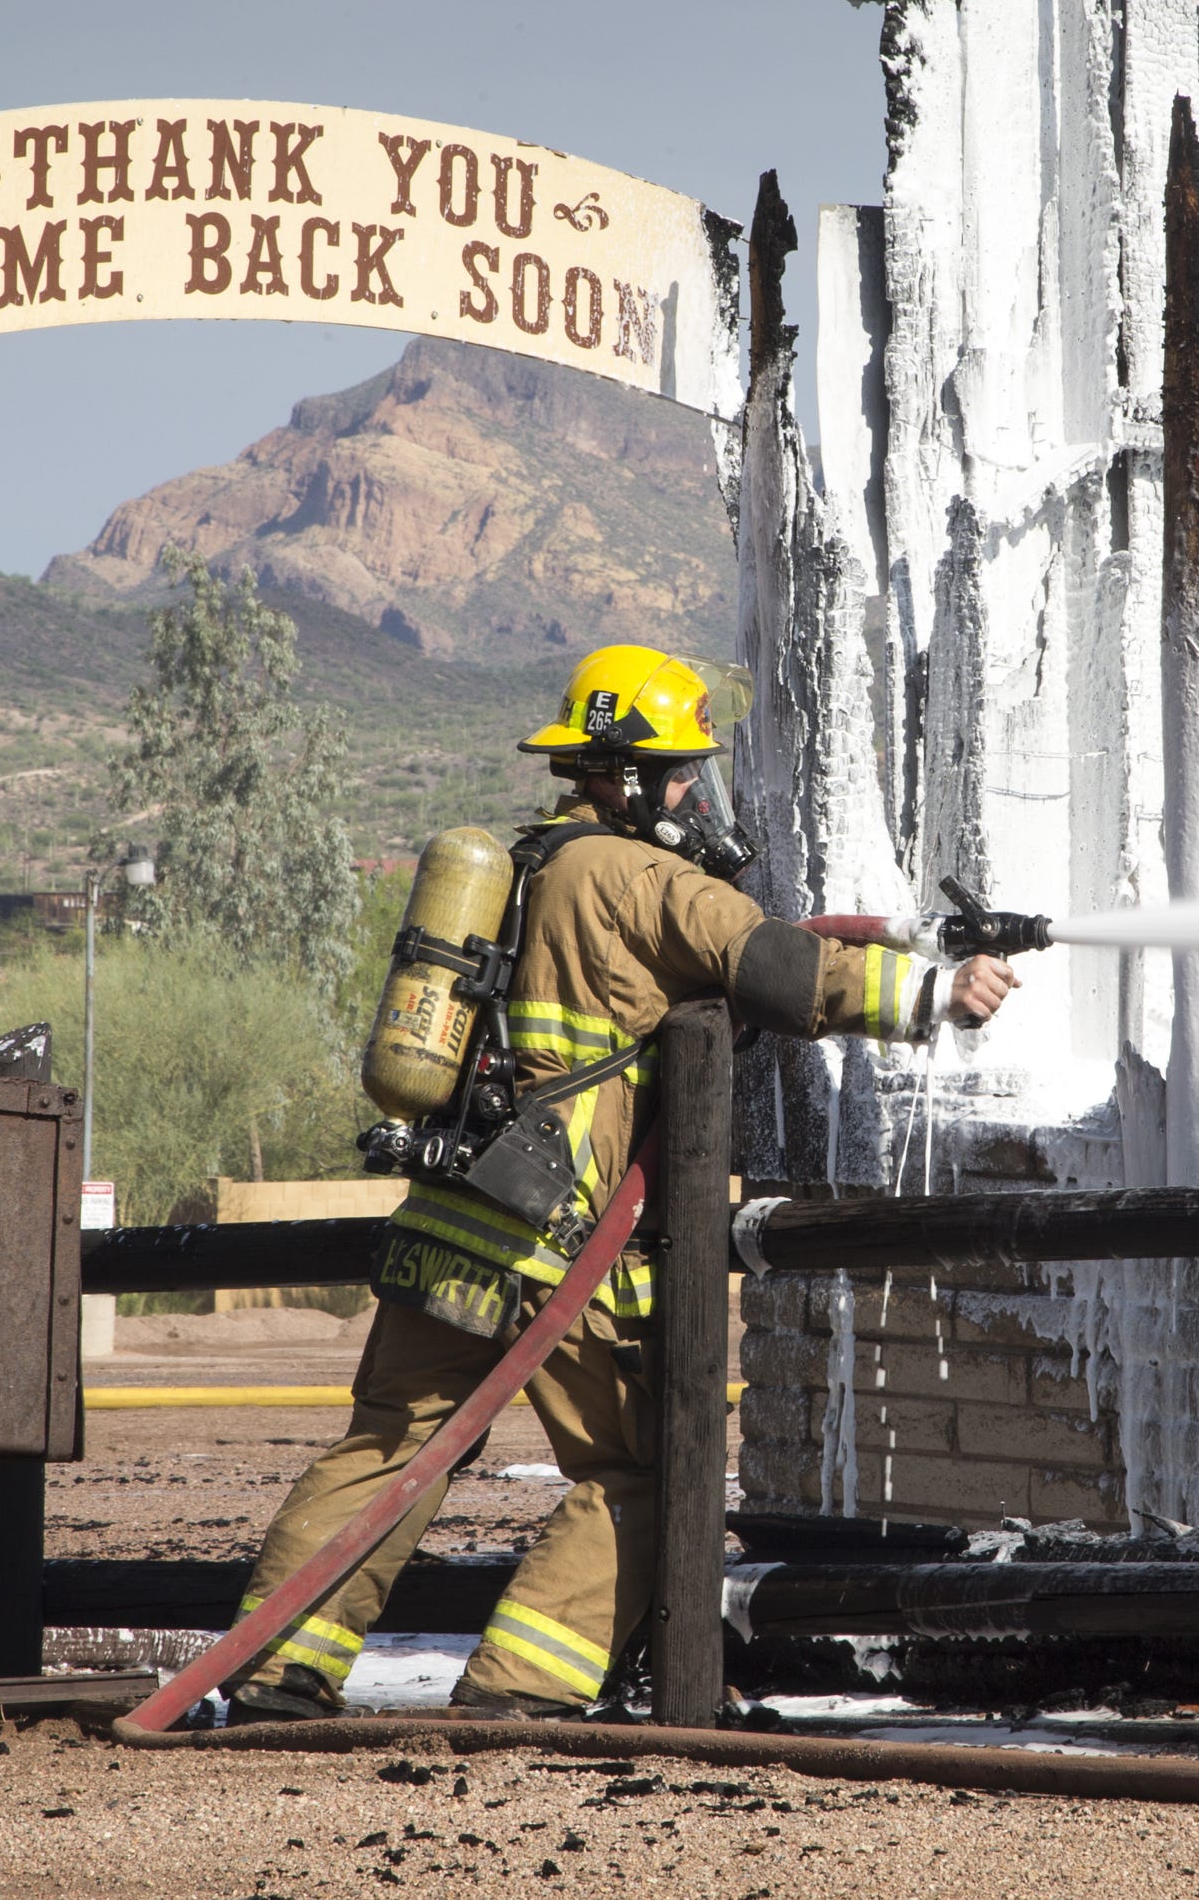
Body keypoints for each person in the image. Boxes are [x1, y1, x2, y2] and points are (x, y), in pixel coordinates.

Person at [225, 642, 1017, 1718]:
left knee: (390, 1444)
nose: (696, 792)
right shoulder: (635, 877)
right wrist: (933, 995)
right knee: (645, 1470)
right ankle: (519, 1688)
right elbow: (777, 964)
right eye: (682, 770)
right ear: (629, 775)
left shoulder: (533, 867)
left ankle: (274, 1669)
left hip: (456, 1218)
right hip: (557, 1242)